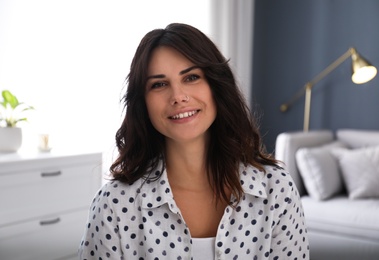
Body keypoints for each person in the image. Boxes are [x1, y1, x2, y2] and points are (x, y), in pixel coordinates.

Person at [79, 23, 309, 260]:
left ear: (216, 86)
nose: (178, 96)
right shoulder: (114, 204)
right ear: (143, 102)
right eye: (159, 84)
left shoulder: (276, 189)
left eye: (191, 77)